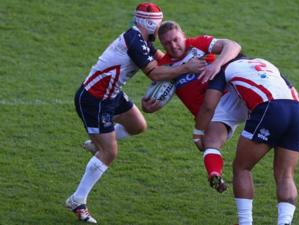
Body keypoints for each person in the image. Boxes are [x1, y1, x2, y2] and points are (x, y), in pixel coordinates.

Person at [141, 21, 299, 194]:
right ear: (162, 44)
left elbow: (233, 46)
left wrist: (216, 64)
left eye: (176, 40)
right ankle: (215, 175)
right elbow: (152, 97)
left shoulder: (198, 44)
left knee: (281, 105)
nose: (174, 46)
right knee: (212, 141)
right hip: (217, 111)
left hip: (230, 92)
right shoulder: (165, 66)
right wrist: (150, 105)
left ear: (183, 35)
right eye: (167, 43)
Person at [65, 3, 207, 224]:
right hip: (95, 100)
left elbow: (163, 60)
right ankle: (78, 200)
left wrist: (190, 56)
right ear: (150, 23)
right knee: (110, 153)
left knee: (137, 125)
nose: (159, 30)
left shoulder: (141, 40)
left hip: (112, 95)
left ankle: (97, 144)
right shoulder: (134, 41)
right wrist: (187, 68)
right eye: (158, 24)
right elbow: (156, 73)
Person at [194, 56, 299, 225]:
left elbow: (208, 105)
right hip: (297, 111)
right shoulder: (268, 65)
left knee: (242, 168)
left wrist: (198, 132)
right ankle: (285, 222)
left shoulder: (225, 69)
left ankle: (245, 222)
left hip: (270, 109)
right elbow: (294, 98)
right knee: (286, 175)